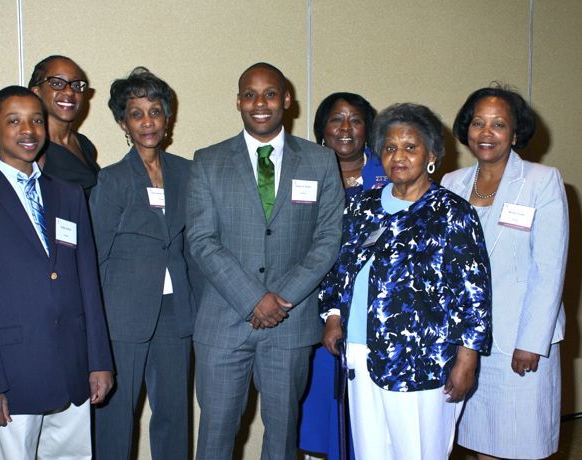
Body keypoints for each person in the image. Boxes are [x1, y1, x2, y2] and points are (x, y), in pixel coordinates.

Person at [0, 86, 114, 459]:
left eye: (36, 120)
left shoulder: (69, 195)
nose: (28, 130)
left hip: (74, 367)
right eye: (14, 121)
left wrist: (99, 361)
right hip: (13, 375)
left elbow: (88, 283)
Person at [186, 62, 345, 460]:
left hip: (290, 324)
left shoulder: (320, 161)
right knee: (215, 437)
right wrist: (253, 298)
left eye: (270, 94)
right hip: (223, 322)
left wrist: (281, 298)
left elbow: (328, 239)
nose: (260, 103)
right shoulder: (207, 161)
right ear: (238, 101)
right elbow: (202, 240)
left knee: (283, 437)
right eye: (250, 95)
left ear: (287, 100)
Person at [320, 102, 492, 460]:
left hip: (422, 362)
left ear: (431, 155)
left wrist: (467, 360)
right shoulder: (363, 206)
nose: (398, 156)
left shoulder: (452, 212)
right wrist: (333, 316)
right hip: (360, 352)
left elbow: (473, 294)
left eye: (410, 147)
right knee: (370, 452)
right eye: (389, 147)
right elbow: (340, 269)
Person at [442, 86, 568, 460]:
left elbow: (549, 268)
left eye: (498, 124)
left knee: (519, 442)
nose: (486, 132)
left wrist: (532, 340)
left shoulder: (541, 181)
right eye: (477, 123)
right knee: (481, 442)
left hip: (518, 340)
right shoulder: (451, 183)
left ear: (514, 134)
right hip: (466, 343)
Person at [90, 67, 198, 460]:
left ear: (167, 118)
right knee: (116, 418)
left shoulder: (188, 172)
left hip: (176, 311)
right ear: (124, 123)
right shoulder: (113, 179)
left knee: (174, 416)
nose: (147, 121)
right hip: (121, 316)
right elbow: (96, 255)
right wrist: (94, 329)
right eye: (136, 114)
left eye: (155, 111)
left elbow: (195, 245)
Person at [300, 92, 387, 459]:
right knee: (324, 404)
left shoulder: (390, 172)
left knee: (369, 417)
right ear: (322, 128)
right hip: (314, 303)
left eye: (356, 119)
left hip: (373, 309)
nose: (346, 128)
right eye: (336, 119)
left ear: (368, 128)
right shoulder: (303, 171)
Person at [29, 55, 100, 198]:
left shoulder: (84, 144)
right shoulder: (32, 148)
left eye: (76, 85)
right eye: (57, 83)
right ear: (37, 92)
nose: (69, 91)